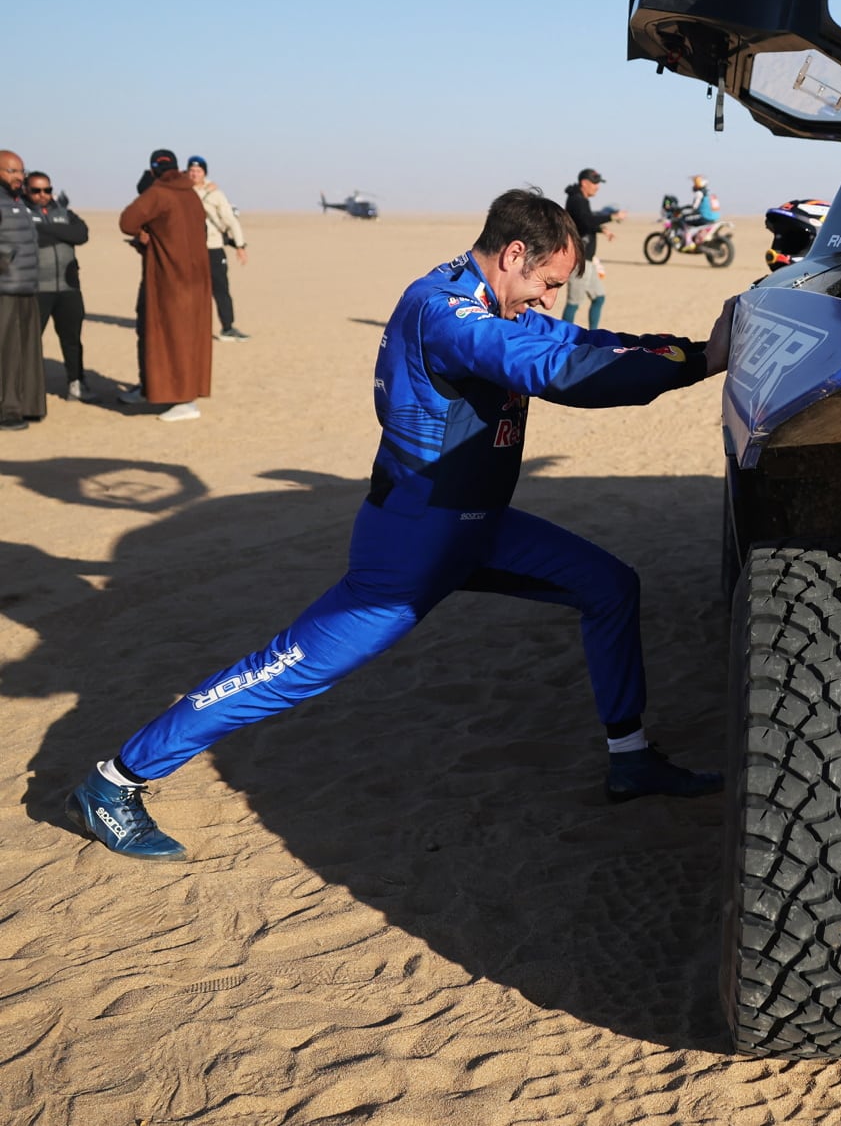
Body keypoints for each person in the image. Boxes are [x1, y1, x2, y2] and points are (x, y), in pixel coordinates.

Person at [67, 188, 736, 861]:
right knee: (286, 669)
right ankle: (114, 781)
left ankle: (630, 757)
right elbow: (555, 367)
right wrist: (700, 364)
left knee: (609, 585)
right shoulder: (442, 311)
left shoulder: (494, 301)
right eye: (549, 284)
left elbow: (577, 339)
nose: (551, 301)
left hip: (479, 528)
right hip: (411, 545)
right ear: (512, 255)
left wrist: (695, 352)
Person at [118, 149, 212, 422]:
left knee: (173, 335)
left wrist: (143, 232)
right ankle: (151, 387)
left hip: (169, 278)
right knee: (164, 332)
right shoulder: (191, 194)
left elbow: (127, 221)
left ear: (152, 171)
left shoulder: (159, 193)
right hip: (195, 277)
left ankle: (185, 400)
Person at [24, 171, 91, 401]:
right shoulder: (20, 214)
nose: (43, 195)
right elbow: (28, 237)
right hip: (36, 289)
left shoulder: (64, 212)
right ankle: (24, 390)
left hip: (68, 287)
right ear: (26, 190)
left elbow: (81, 234)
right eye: (36, 191)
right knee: (29, 341)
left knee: (72, 339)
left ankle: (76, 383)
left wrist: (46, 230)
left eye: (47, 190)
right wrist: (63, 235)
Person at [0, 151, 43, 432]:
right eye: (11, 171)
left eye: (21, 172)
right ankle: (6, 410)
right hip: (6, 287)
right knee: (6, 350)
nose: (18, 177)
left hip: (26, 285)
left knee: (26, 348)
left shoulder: (18, 202)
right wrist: (7, 260)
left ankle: (26, 405)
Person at [187, 156, 250, 341]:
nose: (194, 174)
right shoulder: (182, 191)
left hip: (213, 247)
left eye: (198, 171)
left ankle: (227, 328)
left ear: (205, 172)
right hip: (190, 249)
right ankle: (192, 329)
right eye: (191, 171)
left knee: (221, 289)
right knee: (193, 291)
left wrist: (240, 245)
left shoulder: (215, 194)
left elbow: (231, 220)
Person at [562, 167, 617, 330]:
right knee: (573, 302)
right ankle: (563, 337)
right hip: (578, 260)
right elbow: (586, 222)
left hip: (588, 260)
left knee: (599, 297)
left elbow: (584, 222)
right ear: (584, 183)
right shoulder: (576, 200)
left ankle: (593, 334)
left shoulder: (581, 200)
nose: (597, 186)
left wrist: (601, 229)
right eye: (594, 183)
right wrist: (611, 217)